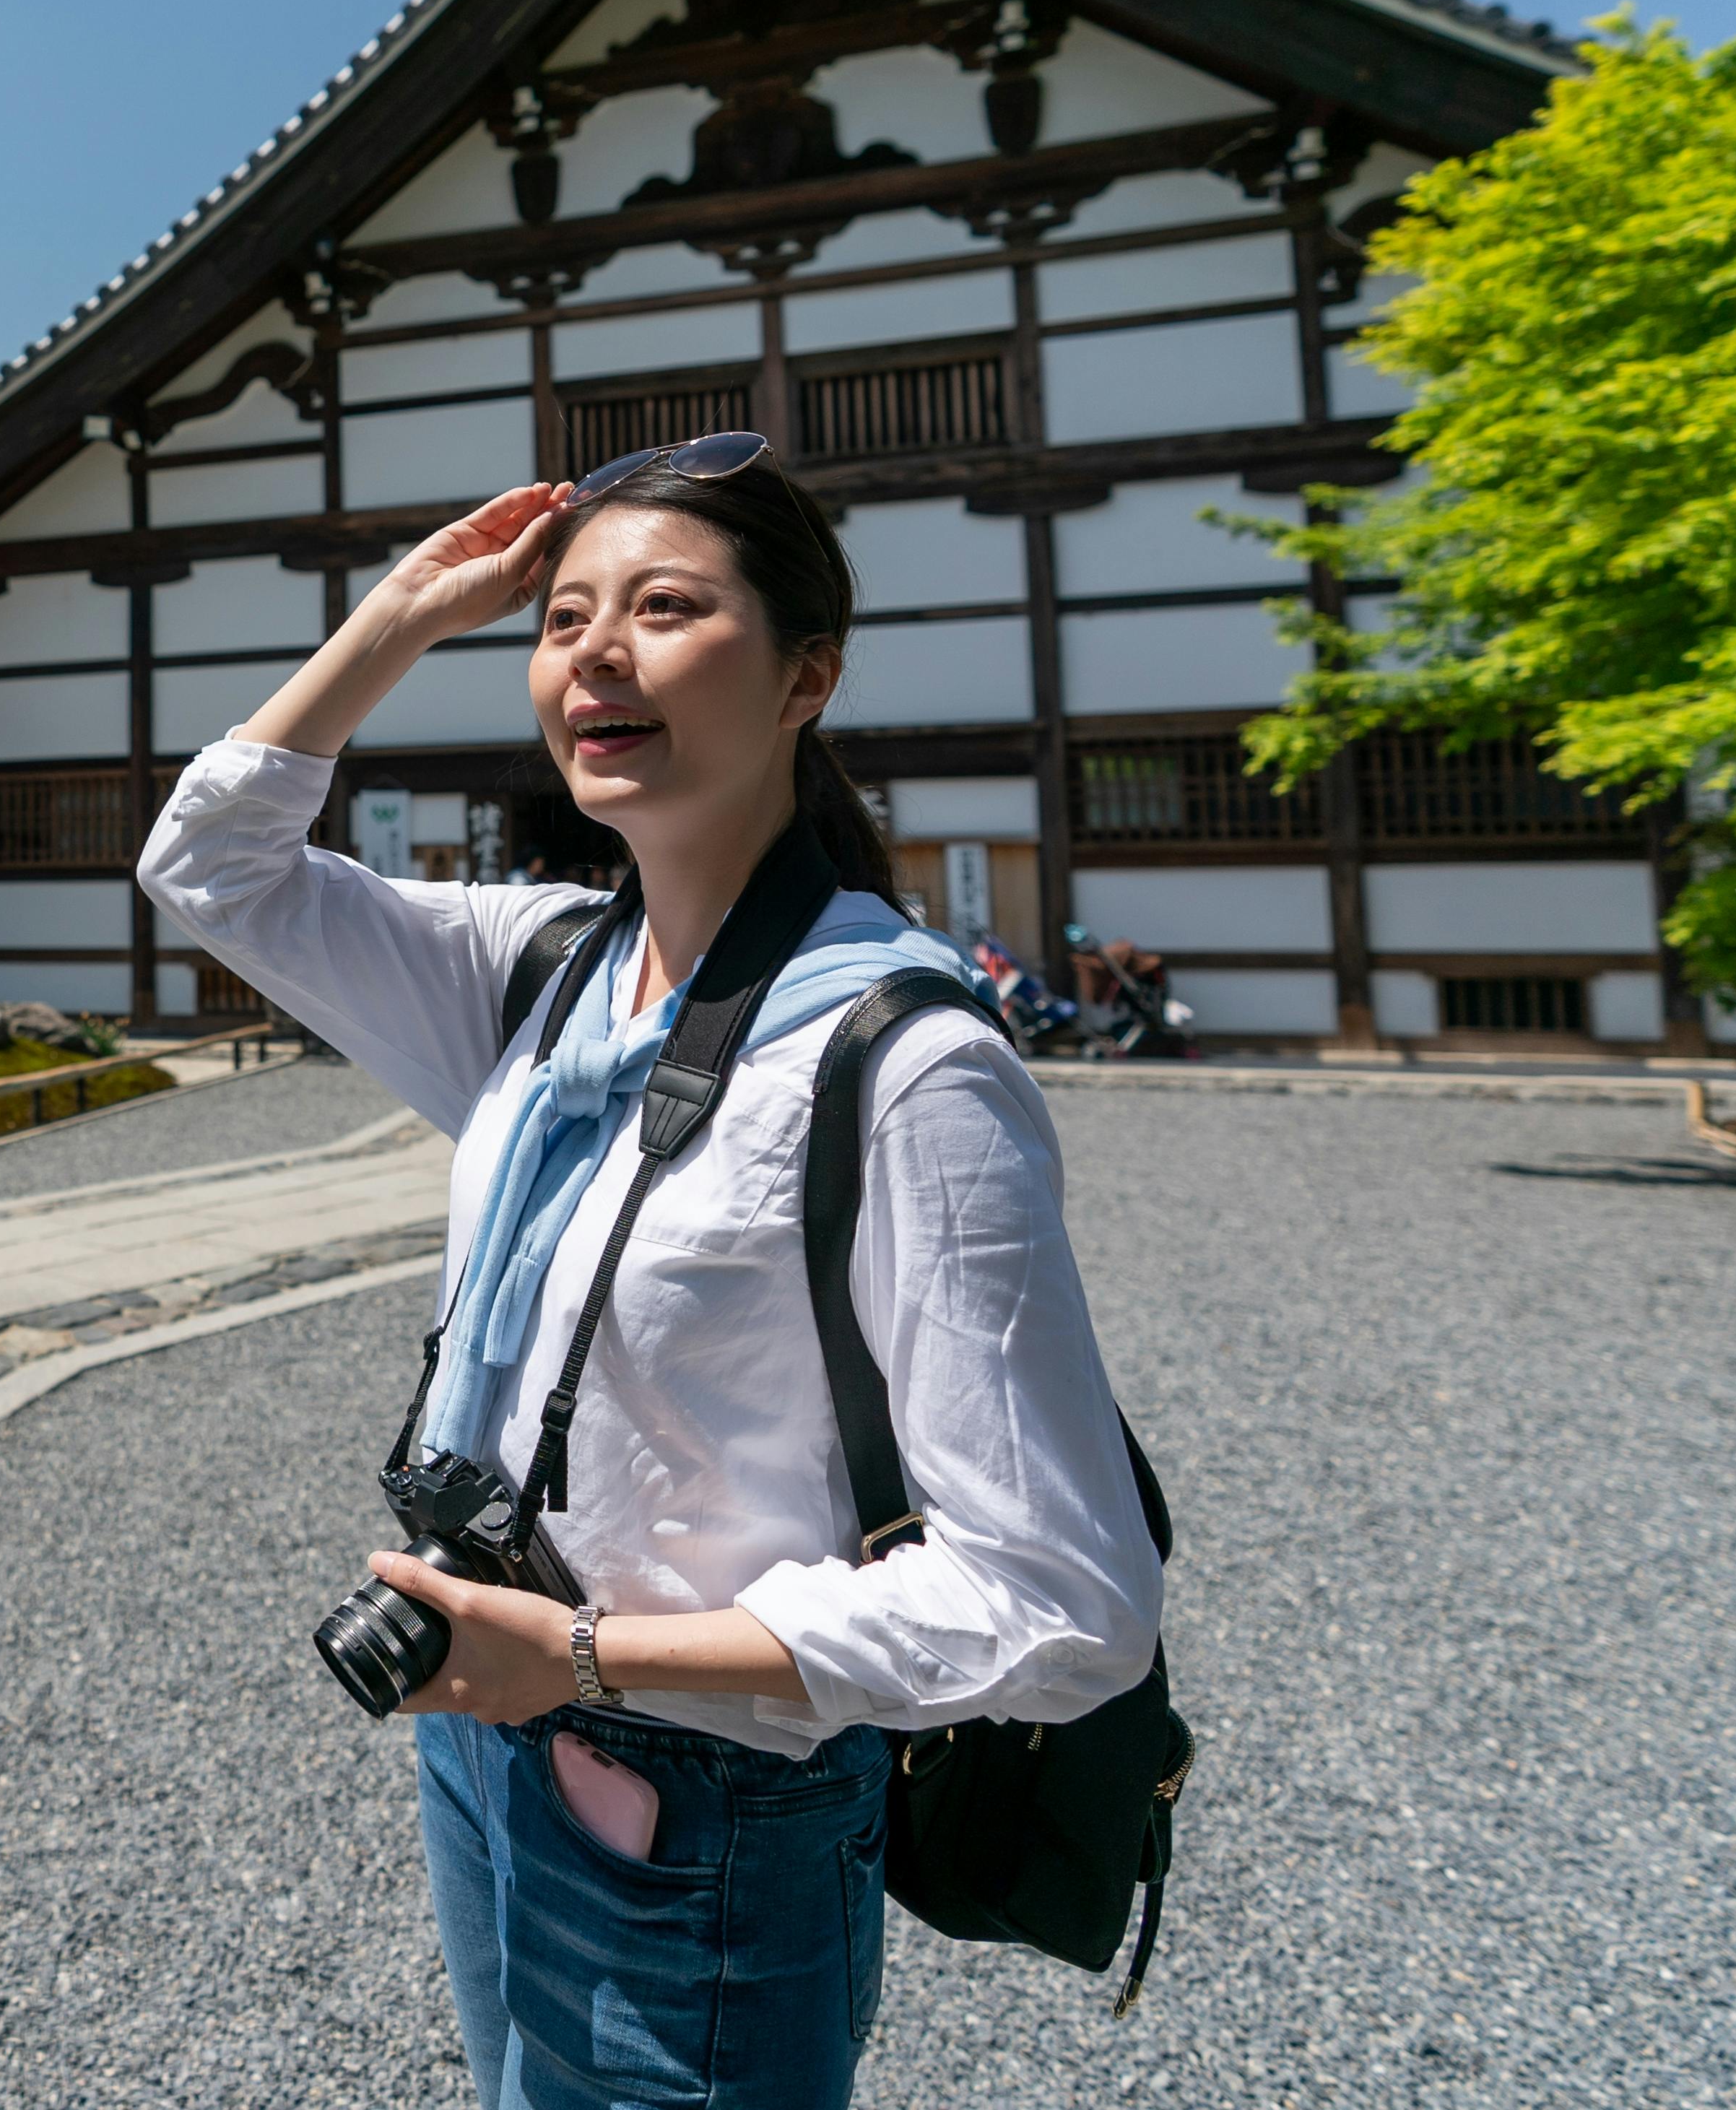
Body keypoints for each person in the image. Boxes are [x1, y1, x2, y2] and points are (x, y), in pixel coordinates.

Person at [137, 441, 1162, 2110]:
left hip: (708, 1795)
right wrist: (406, 611)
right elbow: (214, 866)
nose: (592, 652)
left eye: (665, 609)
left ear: (805, 675)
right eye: (559, 621)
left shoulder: (900, 1059)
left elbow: (1064, 1599)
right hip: (485, 1727)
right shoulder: (542, 967)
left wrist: (592, 1654)